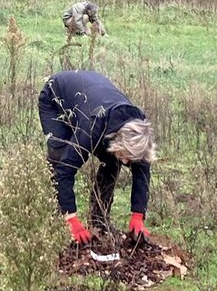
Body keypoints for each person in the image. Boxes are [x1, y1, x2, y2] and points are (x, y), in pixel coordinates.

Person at [37, 70, 155, 244]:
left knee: (113, 163)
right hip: (56, 98)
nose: (126, 162)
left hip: (92, 98)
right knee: (60, 158)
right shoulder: (92, 128)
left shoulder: (140, 134)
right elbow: (65, 170)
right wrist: (72, 219)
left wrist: (138, 215)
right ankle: (60, 222)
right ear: (117, 139)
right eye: (126, 155)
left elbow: (142, 173)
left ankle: (99, 222)